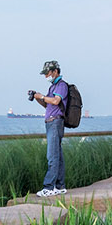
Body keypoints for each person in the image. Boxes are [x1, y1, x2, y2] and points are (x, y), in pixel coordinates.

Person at [30, 61, 68, 197]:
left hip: (55, 122)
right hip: (51, 122)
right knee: (57, 156)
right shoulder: (53, 87)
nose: (46, 76)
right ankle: (60, 186)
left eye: (48, 73)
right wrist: (38, 98)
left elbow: (56, 101)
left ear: (55, 71)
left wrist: (42, 97)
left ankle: (48, 187)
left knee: (52, 156)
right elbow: (49, 105)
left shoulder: (61, 85)